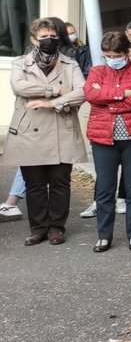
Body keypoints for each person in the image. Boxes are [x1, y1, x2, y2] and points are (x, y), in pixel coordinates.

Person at [4, 18, 87, 245]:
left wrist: (51, 103)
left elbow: (82, 92)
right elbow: (19, 87)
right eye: (43, 37)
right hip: (29, 131)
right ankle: (38, 228)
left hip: (62, 129)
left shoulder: (70, 63)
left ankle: (57, 228)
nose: (49, 40)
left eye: (53, 36)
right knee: (35, 184)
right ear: (34, 40)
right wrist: (55, 90)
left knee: (60, 183)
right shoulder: (21, 63)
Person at [83, 30, 131, 252]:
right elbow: (90, 95)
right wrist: (123, 94)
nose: (112, 60)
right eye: (108, 56)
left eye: (116, 55)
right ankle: (104, 236)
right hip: (103, 139)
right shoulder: (97, 71)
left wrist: (107, 97)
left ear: (126, 52)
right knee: (104, 189)